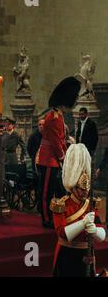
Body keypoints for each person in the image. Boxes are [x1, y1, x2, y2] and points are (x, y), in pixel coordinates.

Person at [50, 144, 106, 277]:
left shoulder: (91, 204)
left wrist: (96, 231)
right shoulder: (61, 204)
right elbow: (62, 233)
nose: (85, 192)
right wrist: (83, 223)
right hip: (68, 253)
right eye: (82, 189)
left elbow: (102, 232)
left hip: (87, 252)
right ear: (74, 187)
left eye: (87, 189)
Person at [36, 77, 80, 228]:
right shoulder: (54, 117)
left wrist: (67, 155)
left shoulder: (58, 115)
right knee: (46, 192)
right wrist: (62, 157)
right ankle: (45, 218)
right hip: (49, 159)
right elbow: (55, 142)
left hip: (53, 158)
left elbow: (61, 140)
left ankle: (52, 216)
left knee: (54, 190)